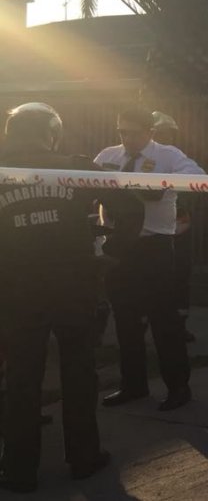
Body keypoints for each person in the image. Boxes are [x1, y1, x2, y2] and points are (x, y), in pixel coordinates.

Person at [0, 103, 141, 493]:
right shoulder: (76, 168)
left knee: (21, 378)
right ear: (53, 132)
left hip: (15, 292)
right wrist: (114, 253)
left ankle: (17, 469)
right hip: (73, 288)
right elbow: (129, 210)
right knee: (79, 373)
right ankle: (83, 457)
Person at [95, 108, 204, 412]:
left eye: (132, 132)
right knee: (126, 320)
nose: (126, 138)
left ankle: (178, 387)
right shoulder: (108, 156)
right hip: (119, 247)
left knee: (164, 320)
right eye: (121, 132)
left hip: (154, 247)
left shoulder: (168, 154)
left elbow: (197, 176)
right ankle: (133, 385)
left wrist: (157, 183)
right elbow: (84, 183)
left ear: (149, 131)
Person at [152, 111, 196, 343]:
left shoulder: (178, 159)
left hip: (178, 227)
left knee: (180, 274)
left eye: (169, 134)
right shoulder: (142, 160)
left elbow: (192, 186)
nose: (165, 138)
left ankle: (178, 325)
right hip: (152, 230)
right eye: (161, 133)